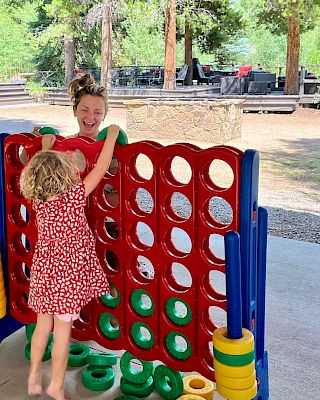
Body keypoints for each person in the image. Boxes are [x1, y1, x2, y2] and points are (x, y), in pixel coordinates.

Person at [20, 128, 119, 400]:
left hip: (44, 272)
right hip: (67, 276)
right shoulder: (74, 196)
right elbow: (99, 168)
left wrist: (44, 147)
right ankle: (56, 387)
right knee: (62, 334)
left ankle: (34, 374)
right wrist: (110, 137)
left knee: (43, 326)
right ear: (64, 176)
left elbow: (37, 169)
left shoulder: (38, 200)